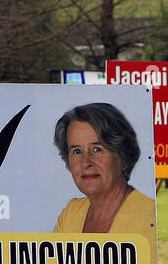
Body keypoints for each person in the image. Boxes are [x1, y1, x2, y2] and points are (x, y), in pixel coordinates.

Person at [52, 104, 157, 255]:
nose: (86, 162)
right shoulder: (72, 213)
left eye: (97, 149)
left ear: (122, 156)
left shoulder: (149, 218)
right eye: (76, 151)